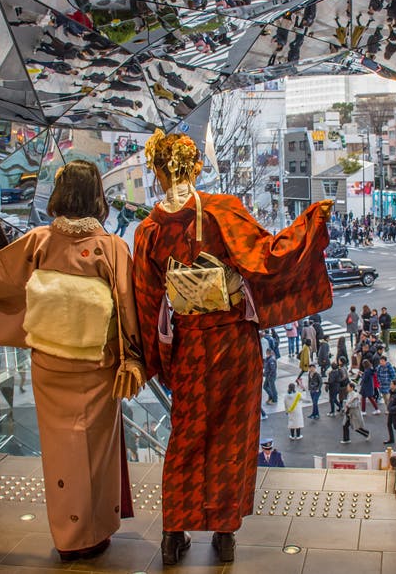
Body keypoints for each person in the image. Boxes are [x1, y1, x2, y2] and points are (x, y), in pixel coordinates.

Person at [132, 130, 332, 565]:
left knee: (185, 437)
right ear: (196, 166)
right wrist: (311, 220)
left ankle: (173, 533)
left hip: (188, 348)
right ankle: (224, 535)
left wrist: (158, 361)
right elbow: (268, 258)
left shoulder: (147, 231)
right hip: (232, 345)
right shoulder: (222, 210)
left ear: (158, 170)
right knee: (231, 438)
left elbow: (148, 304)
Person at [0, 160, 143, 562]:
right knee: (97, 449)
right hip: (97, 364)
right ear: (96, 196)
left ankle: (69, 536)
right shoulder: (111, 247)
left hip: (49, 364)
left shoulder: (39, 241)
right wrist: (135, 358)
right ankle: (94, 531)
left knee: (60, 450)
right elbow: (128, 308)